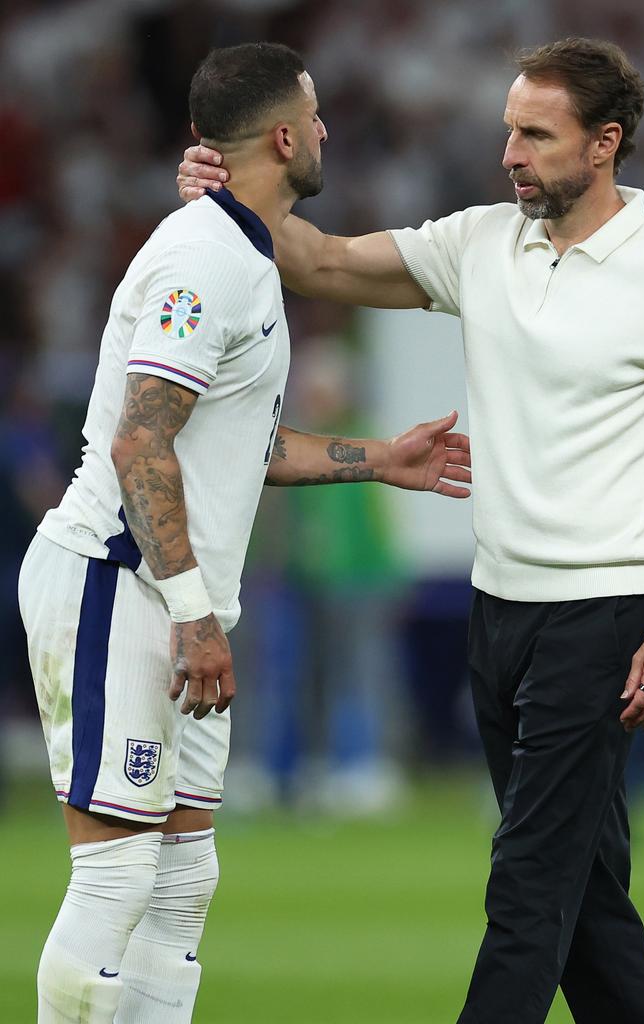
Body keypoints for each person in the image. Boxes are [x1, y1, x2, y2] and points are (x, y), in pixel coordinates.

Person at [179, 36, 644, 1024]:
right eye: (507, 131)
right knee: (589, 900)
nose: (510, 154)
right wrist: (226, 198)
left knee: (529, 884)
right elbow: (315, 260)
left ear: (606, 143)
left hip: (604, 614)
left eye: (536, 134)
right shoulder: (483, 243)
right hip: (502, 613)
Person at [20, 42, 472, 1024]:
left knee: (184, 882)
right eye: (313, 117)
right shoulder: (204, 260)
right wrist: (191, 612)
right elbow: (143, 439)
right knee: (114, 880)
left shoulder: (249, 260)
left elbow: (239, 447)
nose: (324, 131)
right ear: (281, 135)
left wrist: (378, 458)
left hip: (171, 592)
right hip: (117, 580)